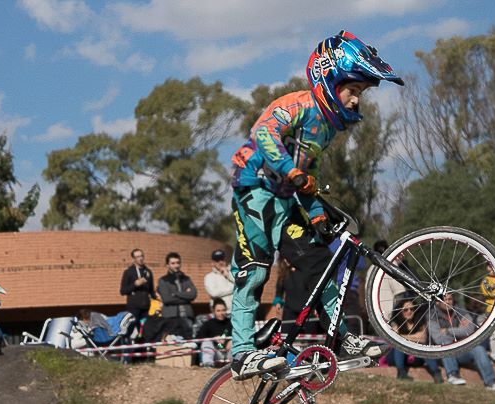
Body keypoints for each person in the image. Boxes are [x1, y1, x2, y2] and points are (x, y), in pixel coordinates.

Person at [227, 31, 401, 379]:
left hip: (287, 199)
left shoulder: (325, 128)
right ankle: (241, 352)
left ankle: (341, 337)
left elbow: (311, 170)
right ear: (330, 80)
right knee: (256, 268)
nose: (355, 102)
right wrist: (291, 172)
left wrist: (318, 212)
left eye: (360, 94)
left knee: (320, 263)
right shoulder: (296, 104)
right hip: (254, 192)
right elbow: (264, 134)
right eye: (353, 91)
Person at [430, 293, 495, 391]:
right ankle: (453, 375)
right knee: (445, 342)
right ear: (437, 302)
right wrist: (458, 331)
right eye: (445, 300)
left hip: (462, 350)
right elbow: (438, 338)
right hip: (445, 354)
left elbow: (469, 330)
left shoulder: (460, 311)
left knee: (478, 349)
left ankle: (491, 382)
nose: (448, 302)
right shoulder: (432, 315)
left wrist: (447, 330)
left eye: (450, 299)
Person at [387, 298, 441, 382]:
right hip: (398, 357)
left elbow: (423, 338)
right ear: (401, 312)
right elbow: (395, 339)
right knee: (399, 345)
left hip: (415, 357)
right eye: (405, 310)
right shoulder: (397, 324)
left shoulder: (420, 322)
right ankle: (401, 373)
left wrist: (402, 337)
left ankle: (436, 373)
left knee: (423, 347)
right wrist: (414, 337)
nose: (409, 311)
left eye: (412, 309)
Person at [155, 252, 197, 340]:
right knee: (172, 343)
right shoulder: (163, 280)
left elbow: (193, 295)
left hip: (187, 316)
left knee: (189, 342)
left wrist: (175, 293)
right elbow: (166, 299)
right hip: (171, 317)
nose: (176, 265)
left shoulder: (186, 279)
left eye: (178, 263)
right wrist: (186, 297)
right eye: (173, 263)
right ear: (167, 265)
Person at [119, 248, 155, 339]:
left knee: (145, 330)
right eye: (138, 257)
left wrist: (158, 297)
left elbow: (151, 291)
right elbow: (123, 291)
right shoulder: (128, 272)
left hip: (146, 307)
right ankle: (127, 350)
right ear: (134, 259)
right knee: (130, 329)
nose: (141, 258)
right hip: (133, 307)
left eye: (142, 256)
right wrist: (135, 284)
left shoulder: (148, 272)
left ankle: (144, 350)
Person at [196, 298, 232, 368]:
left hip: (230, 354)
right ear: (213, 311)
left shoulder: (231, 323)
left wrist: (232, 341)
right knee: (206, 341)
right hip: (215, 355)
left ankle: (236, 365)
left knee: (236, 342)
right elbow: (197, 339)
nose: (221, 313)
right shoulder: (208, 324)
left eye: (223, 310)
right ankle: (208, 365)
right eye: (218, 311)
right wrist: (213, 339)